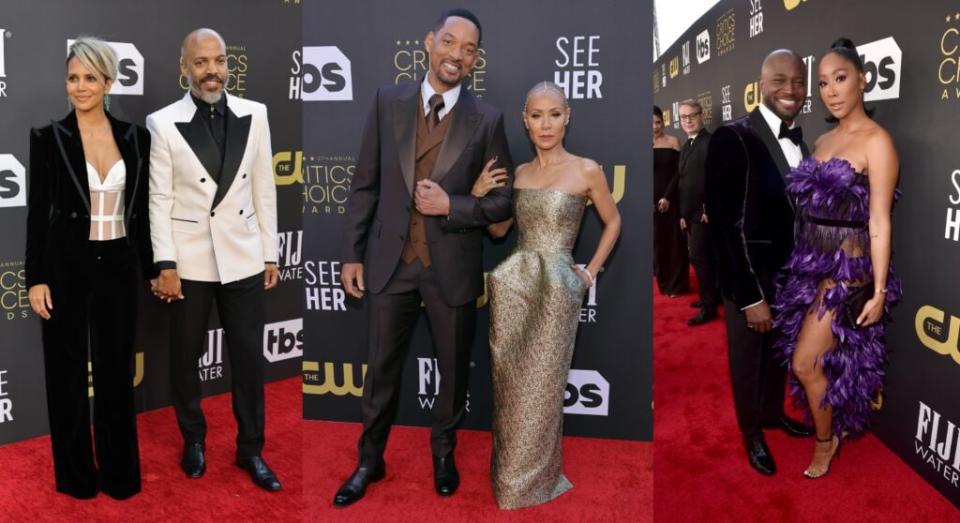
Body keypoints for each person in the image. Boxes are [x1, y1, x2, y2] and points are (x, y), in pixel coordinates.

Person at [334, 8, 513, 507]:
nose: (457, 55)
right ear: (430, 42)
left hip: (451, 269)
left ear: (477, 58)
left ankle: (443, 452)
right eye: (449, 42)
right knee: (380, 370)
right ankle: (370, 459)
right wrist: (351, 254)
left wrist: (451, 205)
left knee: (453, 373)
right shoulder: (386, 101)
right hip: (390, 264)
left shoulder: (488, 119)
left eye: (469, 48)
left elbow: (503, 204)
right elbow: (364, 184)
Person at [472, 81, 620, 509]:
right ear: (525, 120)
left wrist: (589, 273)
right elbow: (500, 232)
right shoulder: (518, 174)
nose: (545, 124)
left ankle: (534, 481)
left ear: (568, 115)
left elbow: (614, 222)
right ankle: (509, 478)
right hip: (514, 283)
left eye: (554, 114)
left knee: (544, 388)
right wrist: (481, 199)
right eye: (536, 115)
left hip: (557, 289)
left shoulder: (587, 169)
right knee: (510, 386)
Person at [147, 28, 281, 491]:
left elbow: (264, 186)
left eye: (219, 60)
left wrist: (270, 251)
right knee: (186, 357)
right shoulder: (162, 122)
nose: (212, 70)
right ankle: (194, 440)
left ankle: (251, 450)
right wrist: (165, 264)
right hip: (189, 261)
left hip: (243, 255)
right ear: (185, 68)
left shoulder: (256, 114)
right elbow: (158, 198)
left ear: (228, 64)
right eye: (201, 62)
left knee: (248, 358)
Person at [25, 37, 155, 500]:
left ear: (107, 82)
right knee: (65, 375)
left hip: (118, 263)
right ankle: (76, 476)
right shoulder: (48, 138)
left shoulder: (136, 138)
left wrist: (155, 266)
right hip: (64, 267)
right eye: (72, 78)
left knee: (116, 373)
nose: (79, 88)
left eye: (89, 78)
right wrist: (35, 277)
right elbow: (37, 213)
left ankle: (121, 474)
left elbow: (142, 212)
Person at [773, 38, 901, 479]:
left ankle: (825, 443)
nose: (830, 90)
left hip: (846, 269)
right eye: (824, 82)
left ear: (863, 80)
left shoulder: (877, 142)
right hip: (808, 263)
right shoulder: (823, 139)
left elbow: (879, 221)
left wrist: (879, 290)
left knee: (804, 362)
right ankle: (834, 427)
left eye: (840, 78)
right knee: (811, 361)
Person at [705, 49, 814, 476]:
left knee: (776, 357)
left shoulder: (800, 140)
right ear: (761, 83)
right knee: (748, 359)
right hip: (751, 276)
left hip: (791, 277)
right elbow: (725, 227)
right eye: (780, 80)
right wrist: (750, 297)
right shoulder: (734, 136)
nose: (791, 90)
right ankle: (751, 432)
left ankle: (771, 414)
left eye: (799, 82)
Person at [674, 100, 720, 325]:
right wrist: (683, 214)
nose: (688, 120)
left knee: (701, 258)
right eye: (684, 117)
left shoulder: (710, 142)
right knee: (704, 259)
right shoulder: (687, 145)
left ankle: (710, 307)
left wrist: (708, 207)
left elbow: (716, 178)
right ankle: (708, 297)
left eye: (692, 115)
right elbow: (684, 182)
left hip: (703, 213)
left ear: (702, 116)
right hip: (690, 214)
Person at [652, 105, 690, 297]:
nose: (655, 126)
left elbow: (679, 172)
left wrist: (667, 196)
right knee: (658, 244)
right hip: (650, 201)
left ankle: (677, 285)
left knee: (675, 243)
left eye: (658, 122)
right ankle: (664, 283)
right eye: (650, 123)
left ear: (663, 122)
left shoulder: (673, 141)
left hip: (672, 198)